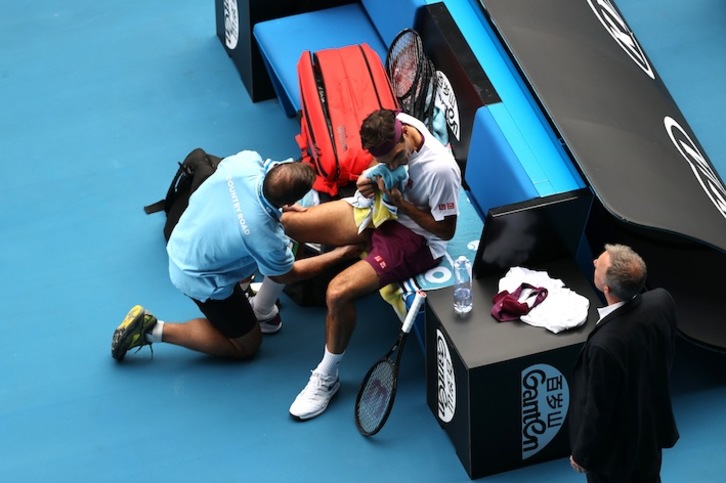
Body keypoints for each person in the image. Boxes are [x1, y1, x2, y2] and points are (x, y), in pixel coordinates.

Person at [259, 108, 461, 420]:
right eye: (385, 160)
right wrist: (369, 181)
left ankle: (326, 377)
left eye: (395, 157)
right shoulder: (398, 124)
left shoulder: (440, 170)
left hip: (414, 238)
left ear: (404, 135)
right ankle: (263, 309)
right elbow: (375, 166)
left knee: (337, 292)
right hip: (379, 210)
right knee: (286, 222)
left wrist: (401, 202)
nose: (392, 165)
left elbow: (446, 230)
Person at [110, 150, 363, 362]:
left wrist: (283, 205)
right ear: (294, 199)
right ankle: (151, 329)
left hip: (185, 238)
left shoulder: (245, 161)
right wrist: (343, 253)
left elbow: (270, 174)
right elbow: (287, 274)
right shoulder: (265, 234)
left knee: (264, 252)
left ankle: (248, 298)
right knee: (246, 347)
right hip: (194, 276)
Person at [569, 244, 679, 482]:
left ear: (607, 289)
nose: (595, 261)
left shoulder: (604, 346)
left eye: (600, 263)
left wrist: (582, 454)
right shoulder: (662, 301)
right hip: (649, 434)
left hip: (614, 457)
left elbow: (599, 410)